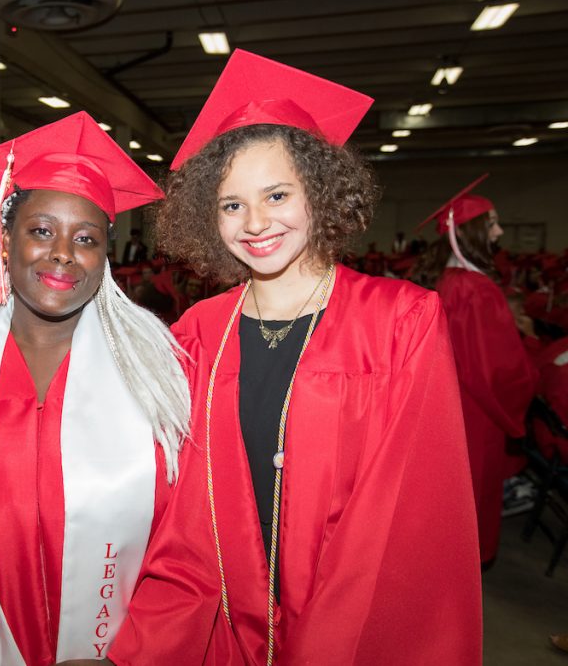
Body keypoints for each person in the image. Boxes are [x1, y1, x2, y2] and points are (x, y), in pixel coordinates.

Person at [159, 50, 482, 664]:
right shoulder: (200, 329)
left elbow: (407, 512)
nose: (256, 222)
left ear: (320, 192)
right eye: (232, 204)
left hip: (348, 614)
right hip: (221, 611)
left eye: (277, 194)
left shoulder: (401, 320)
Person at [0, 111, 218, 665]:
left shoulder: (162, 377)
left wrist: (125, 659)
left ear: (104, 258)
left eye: (85, 238)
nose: (63, 253)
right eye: (41, 231)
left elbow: (194, 547)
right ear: (5, 240)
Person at [412, 176, 539, 567]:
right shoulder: (476, 288)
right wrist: (531, 368)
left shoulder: (449, 281)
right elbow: (495, 368)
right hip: (478, 411)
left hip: (454, 403)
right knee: (475, 489)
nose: (500, 231)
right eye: (493, 222)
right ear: (472, 231)